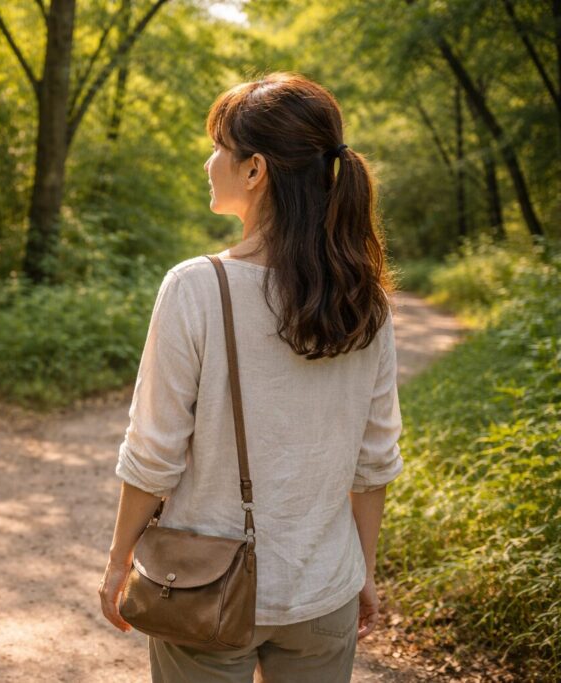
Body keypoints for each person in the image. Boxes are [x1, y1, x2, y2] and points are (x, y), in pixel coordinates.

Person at [97, 72, 404, 683]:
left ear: (255, 169)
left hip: (203, 585)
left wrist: (117, 561)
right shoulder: (365, 300)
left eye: (218, 147)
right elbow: (374, 460)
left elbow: (154, 454)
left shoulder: (196, 286)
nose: (210, 162)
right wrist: (363, 570)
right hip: (325, 589)